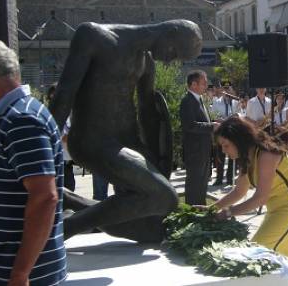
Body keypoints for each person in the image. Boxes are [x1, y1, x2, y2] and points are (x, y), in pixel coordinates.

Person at [51, 20, 198, 242]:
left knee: (151, 230)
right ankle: (65, 228)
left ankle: (70, 201)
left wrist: (153, 159)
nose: (170, 59)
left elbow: (148, 112)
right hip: (92, 142)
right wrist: (42, 149)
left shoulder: (146, 61)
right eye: (174, 52)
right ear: (171, 33)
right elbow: (64, 95)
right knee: (165, 198)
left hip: (125, 146)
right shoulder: (94, 36)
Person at [0, 39, 66, 285]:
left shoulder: (21, 120)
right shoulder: (10, 115)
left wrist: (21, 273)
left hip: (16, 275)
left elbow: (45, 198)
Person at [207, 116, 288, 260]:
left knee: (255, 255)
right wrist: (211, 209)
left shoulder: (266, 154)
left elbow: (260, 198)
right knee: (266, 257)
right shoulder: (247, 156)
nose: (224, 151)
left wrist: (227, 213)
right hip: (276, 210)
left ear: (239, 140)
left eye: (226, 145)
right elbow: (239, 191)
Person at [180, 70, 220, 204]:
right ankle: (192, 212)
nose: (206, 85)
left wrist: (216, 122)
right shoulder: (187, 101)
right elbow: (189, 125)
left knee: (202, 185)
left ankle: (200, 210)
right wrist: (211, 126)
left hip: (204, 150)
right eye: (203, 83)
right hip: (195, 152)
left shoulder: (200, 100)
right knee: (194, 184)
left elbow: (203, 120)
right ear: (193, 84)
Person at [212, 80, 238, 186]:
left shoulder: (235, 102)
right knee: (220, 156)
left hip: (232, 131)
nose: (227, 90)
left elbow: (239, 115)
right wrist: (225, 120)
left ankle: (230, 178)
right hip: (221, 131)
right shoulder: (217, 102)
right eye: (225, 88)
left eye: (228, 88)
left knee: (232, 155)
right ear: (222, 89)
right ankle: (219, 178)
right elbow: (214, 117)